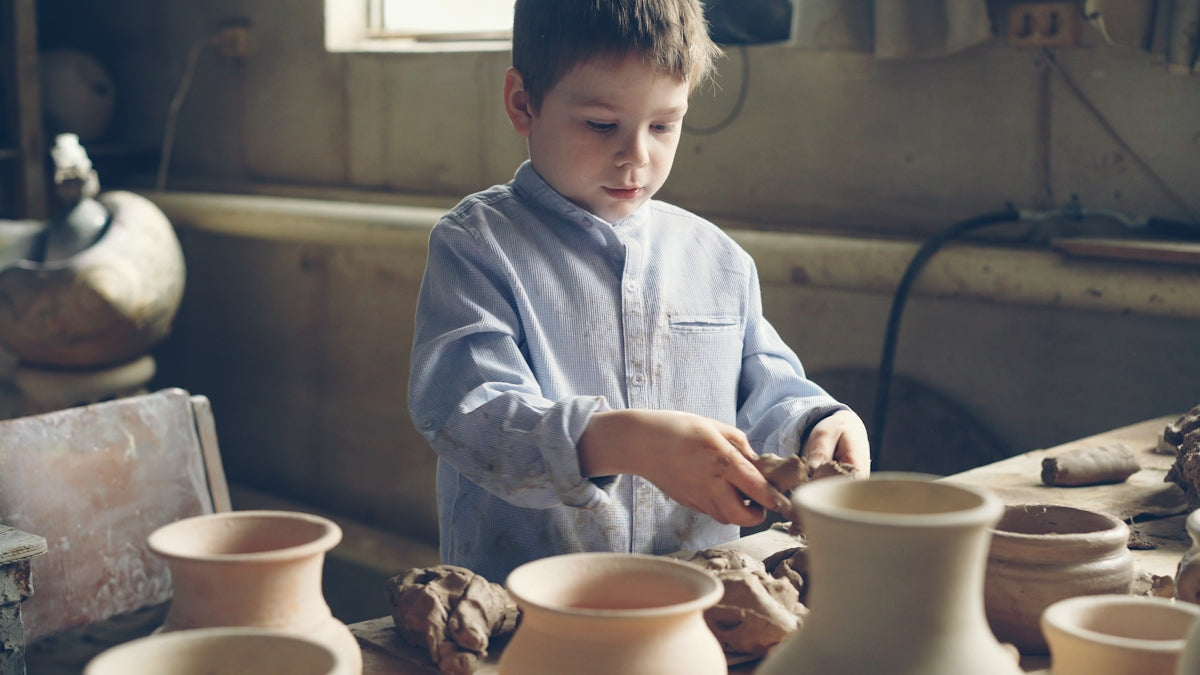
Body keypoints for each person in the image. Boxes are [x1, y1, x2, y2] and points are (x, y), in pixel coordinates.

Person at [409, 0, 870, 582]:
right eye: (602, 125)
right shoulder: (478, 245)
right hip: (527, 613)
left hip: (700, 601)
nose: (637, 156)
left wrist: (817, 426)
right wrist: (622, 443)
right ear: (523, 103)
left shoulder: (718, 260)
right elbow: (469, 415)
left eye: (663, 125)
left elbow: (769, 387)